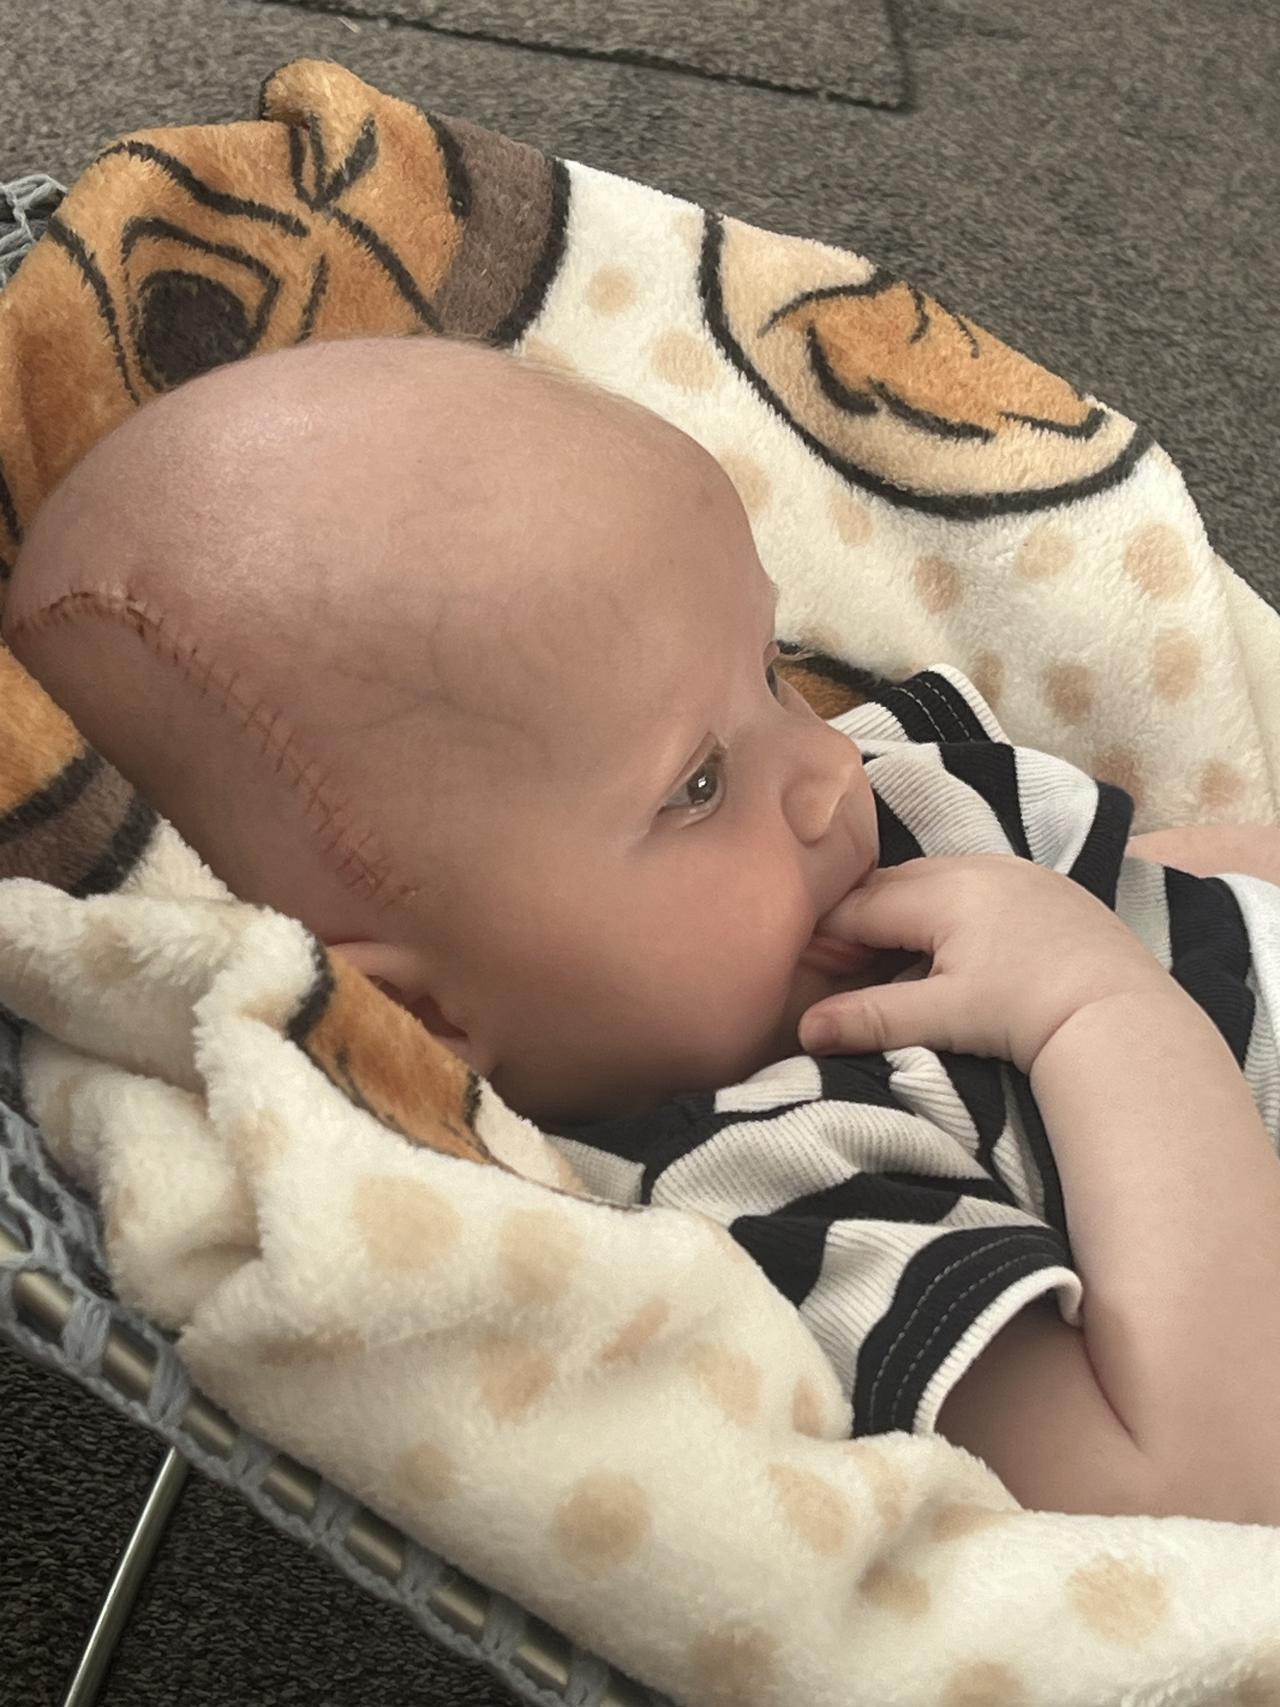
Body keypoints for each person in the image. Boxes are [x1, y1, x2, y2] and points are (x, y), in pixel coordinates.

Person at [5, 333, 1280, 1528]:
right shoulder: (779, 1199)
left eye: (768, 667)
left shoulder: (849, 826)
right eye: (696, 785)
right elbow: (1203, 1493)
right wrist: (1096, 1011)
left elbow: (1156, 887)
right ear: (424, 1018)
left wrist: (1115, 924)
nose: (821, 765)